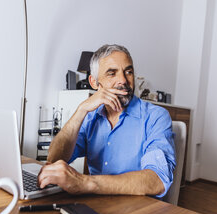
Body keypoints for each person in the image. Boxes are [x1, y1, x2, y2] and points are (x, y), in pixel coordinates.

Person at [38, 44, 175, 198]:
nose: (123, 80)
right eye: (112, 73)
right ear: (94, 82)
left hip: (138, 210)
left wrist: (85, 182)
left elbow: (158, 181)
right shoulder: (90, 117)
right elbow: (55, 158)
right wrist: (81, 110)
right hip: (96, 204)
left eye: (128, 72)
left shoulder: (156, 117)